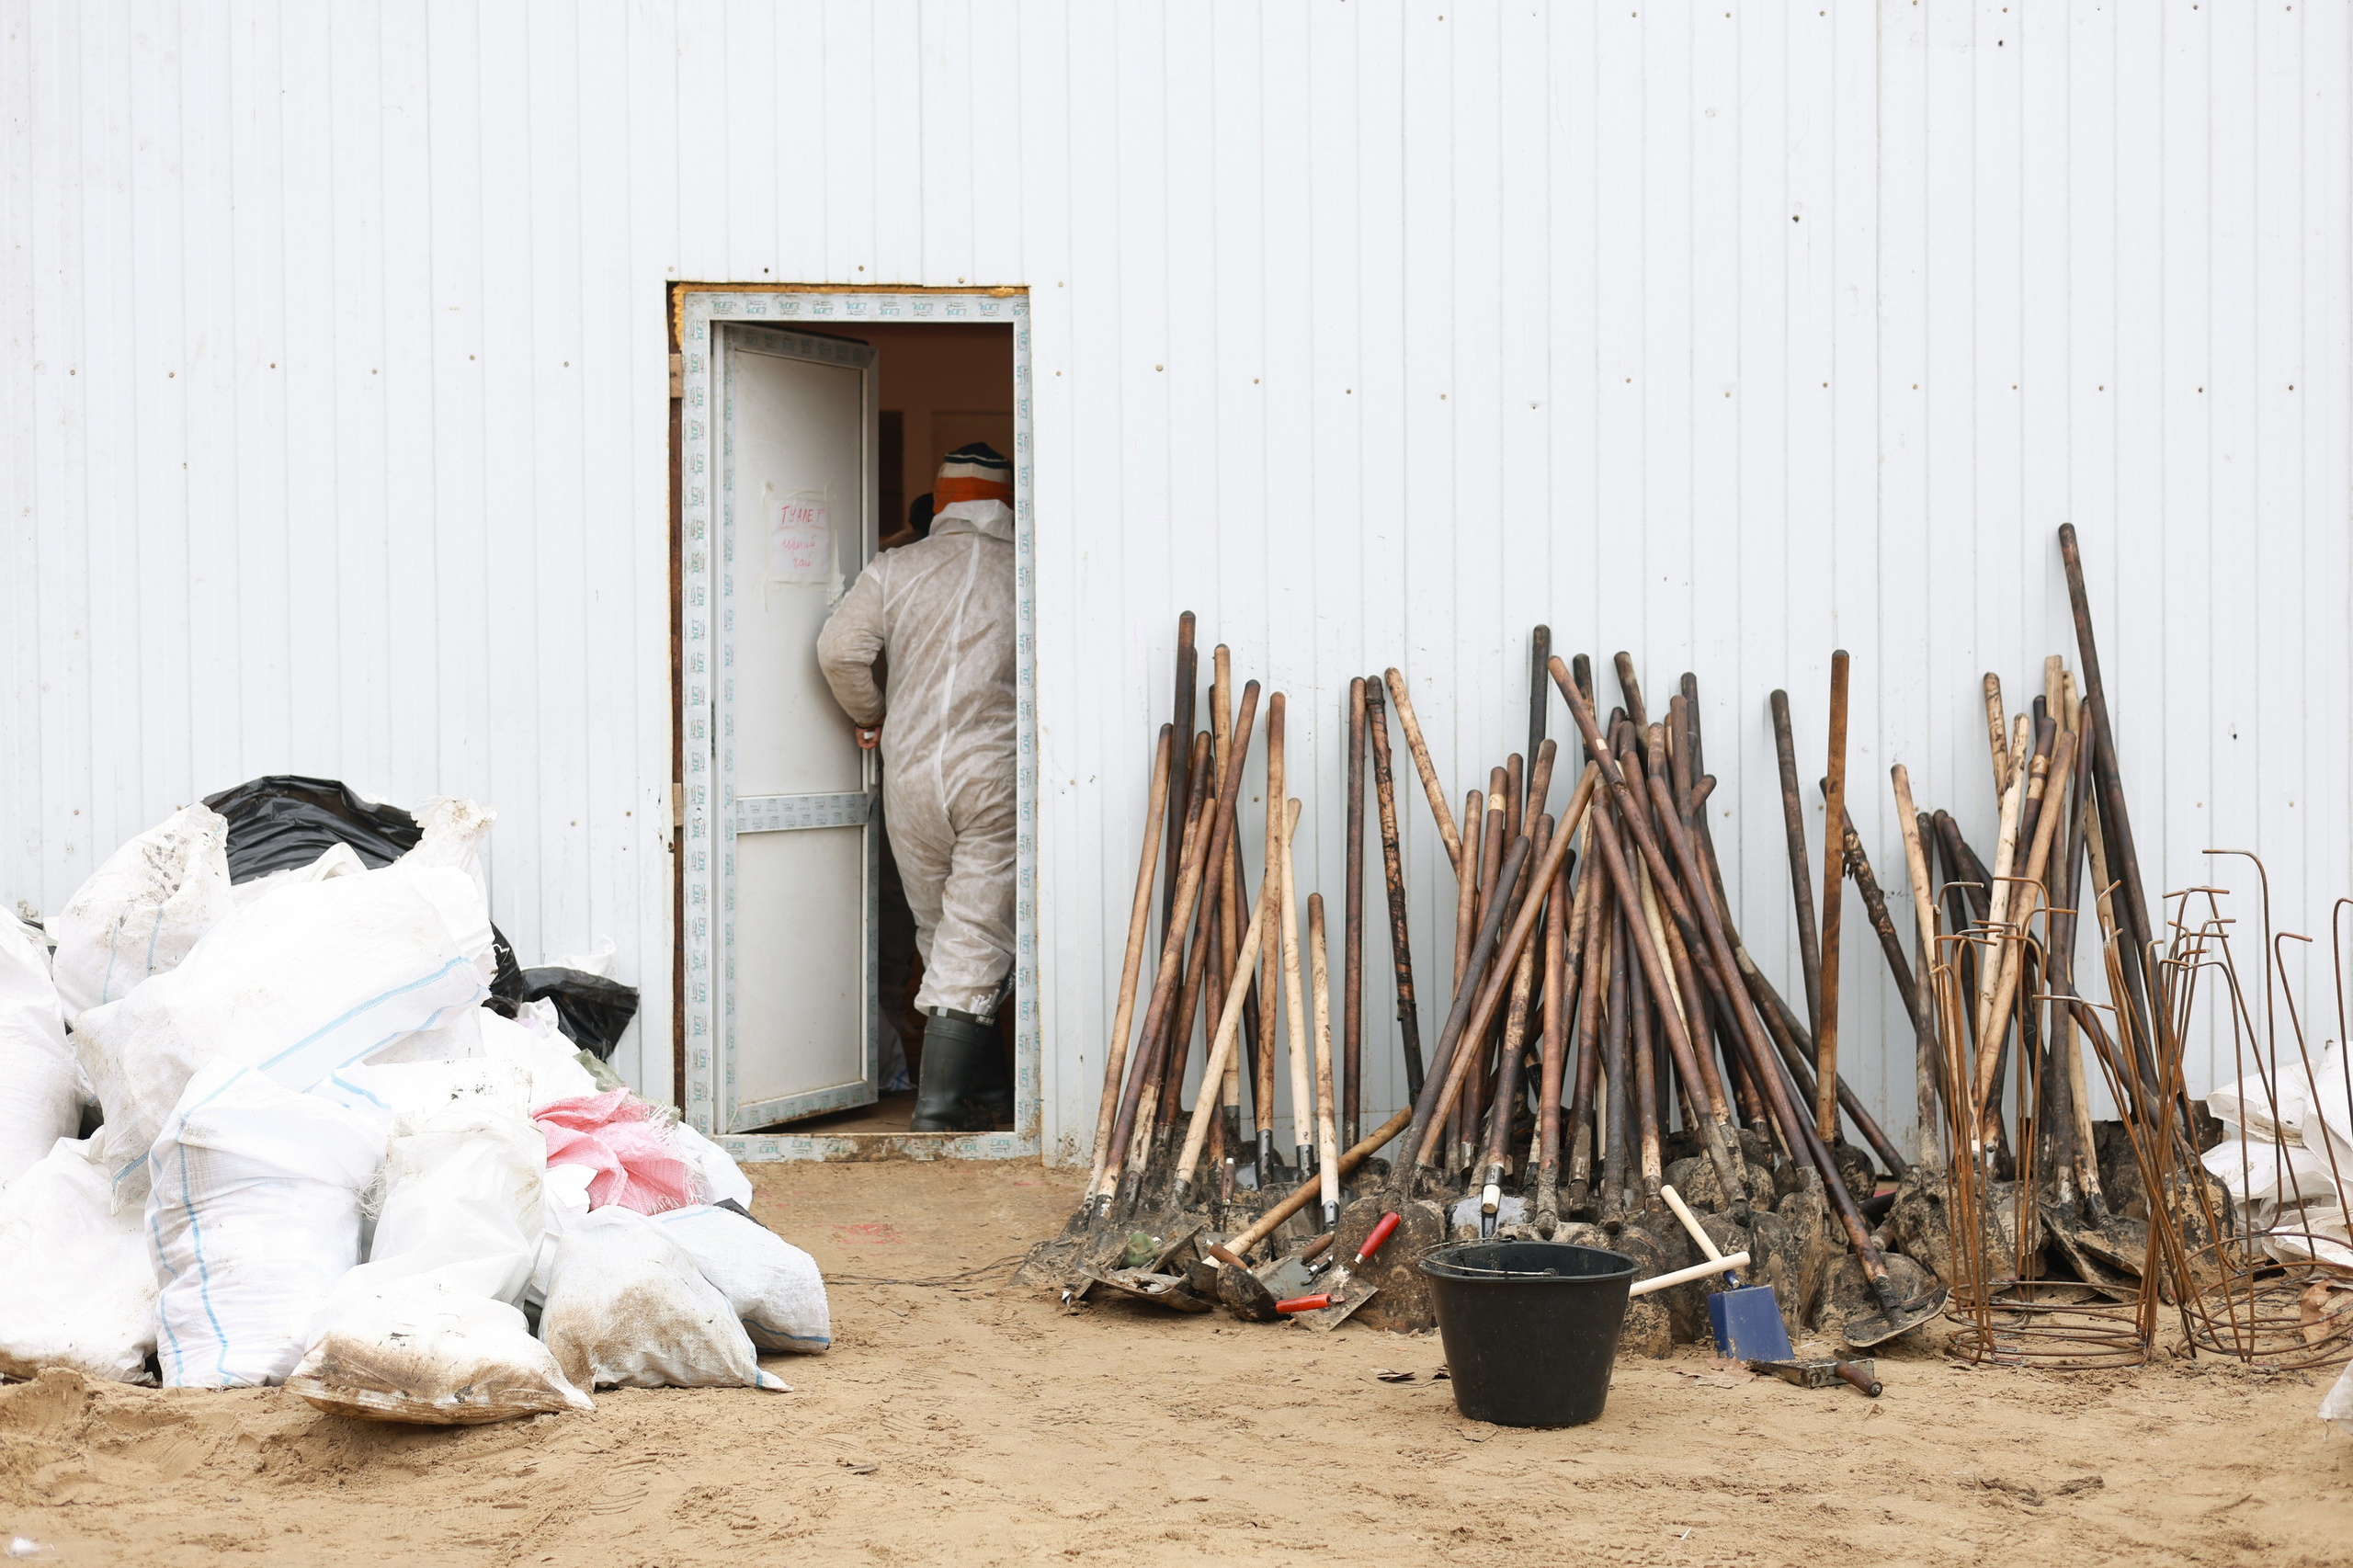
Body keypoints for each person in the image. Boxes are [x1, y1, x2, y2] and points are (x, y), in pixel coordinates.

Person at [817, 444, 1017, 1131]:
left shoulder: (896, 567)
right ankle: (936, 1108)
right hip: (995, 768)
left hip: (910, 772)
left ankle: (985, 1092)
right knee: (979, 929)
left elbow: (841, 651)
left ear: (942, 500)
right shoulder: (1026, 570)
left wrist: (872, 714)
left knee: (942, 931)